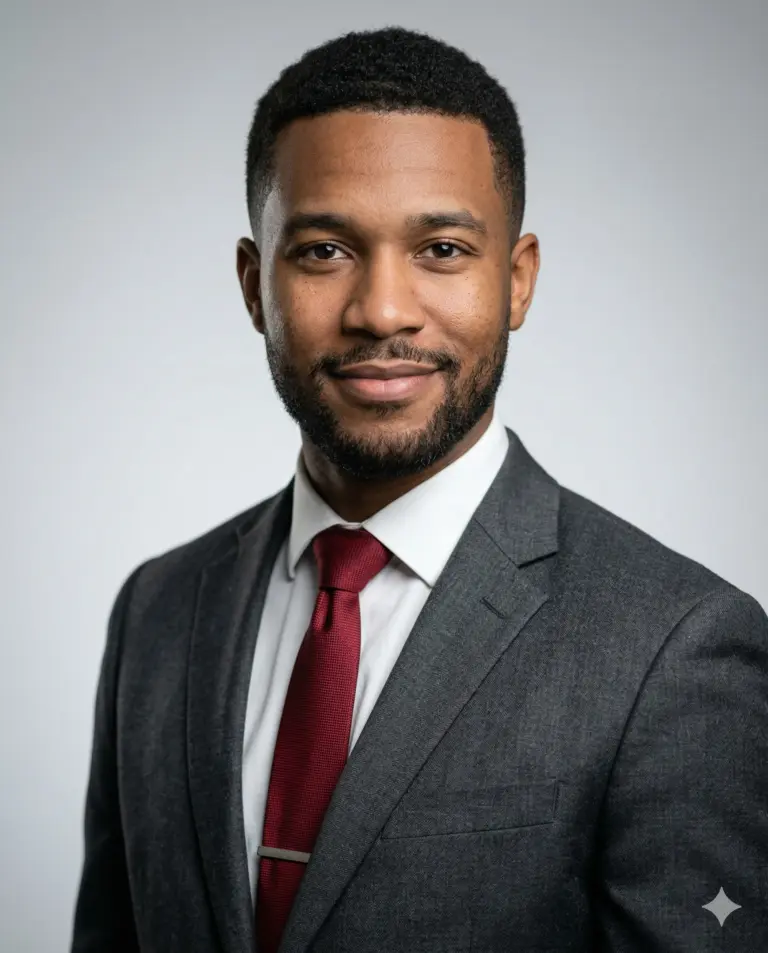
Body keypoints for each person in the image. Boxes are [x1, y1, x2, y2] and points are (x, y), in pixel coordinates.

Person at [70, 25, 768, 953]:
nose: (383, 310)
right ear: (253, 285)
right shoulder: (156, 611)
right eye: (323, 250)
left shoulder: (676, 650)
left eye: (441, 248)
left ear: (516, 282)